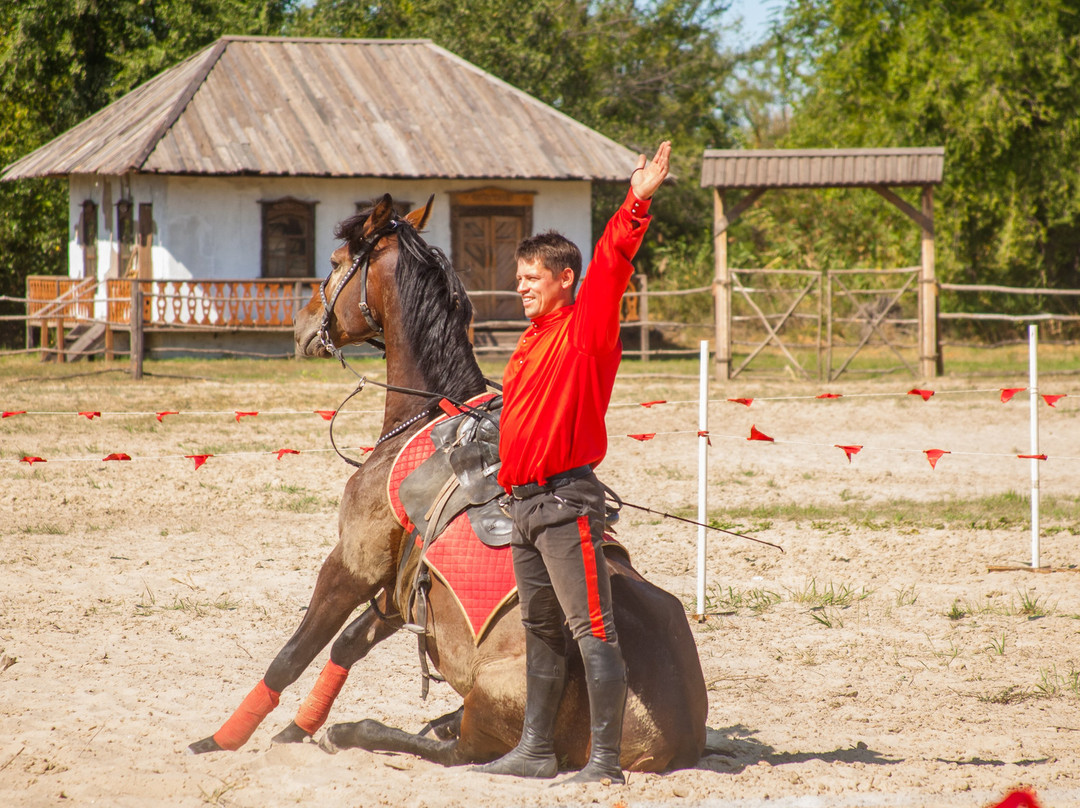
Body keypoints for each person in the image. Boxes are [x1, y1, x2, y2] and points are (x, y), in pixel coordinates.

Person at [476, 141, 671, 784]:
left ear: (565, 279)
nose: (520, 287)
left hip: (564, 503)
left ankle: (607, 762)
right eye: (519, 277)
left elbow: (614, 261)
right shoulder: (529, 343)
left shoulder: (586, 329)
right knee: (542, 630)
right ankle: (535, 750)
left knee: (591, 628)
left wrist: (636, 201)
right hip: (524, 507)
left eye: (532, 278)